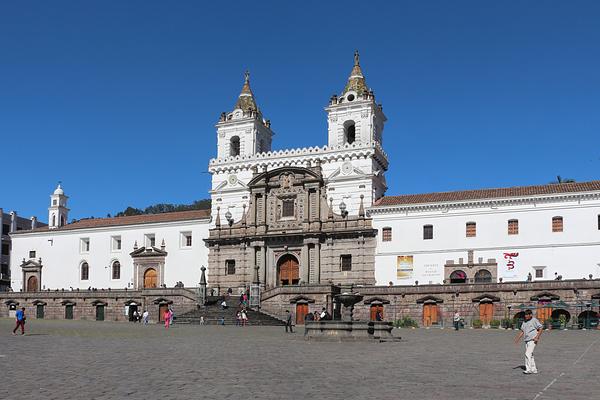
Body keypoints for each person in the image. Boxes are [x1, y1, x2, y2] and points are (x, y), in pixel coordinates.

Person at [514, 309, 543, 374]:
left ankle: (528, 369)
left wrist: (537, 337)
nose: (526, 316)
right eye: (525, 315)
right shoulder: (524, 322)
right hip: (526, 340)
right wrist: (517, 338)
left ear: (530, 315)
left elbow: (541, 328)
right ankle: (534, 369)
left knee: (527, 354)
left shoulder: (534, 320)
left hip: (533, 340)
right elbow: (522, 331)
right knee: (531, 355)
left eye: (527, 315)